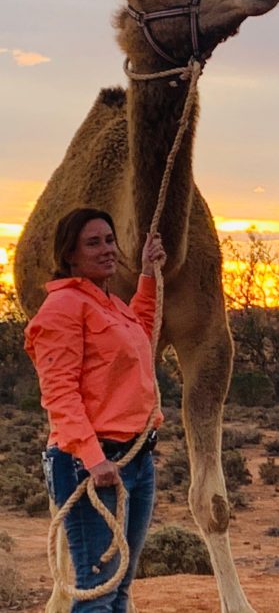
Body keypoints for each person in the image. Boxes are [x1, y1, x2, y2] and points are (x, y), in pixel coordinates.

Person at [24, 207, 166, 612]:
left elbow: (140, 326)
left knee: (118, 587)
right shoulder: (62, 308)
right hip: (91, 464)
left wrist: (147, 274)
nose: (106, 250)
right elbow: (59, 394)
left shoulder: (107, 302)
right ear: (70, 254)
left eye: (109, 240)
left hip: (134, 460)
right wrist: (94, 458)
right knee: (98, 588)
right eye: (93, 243)